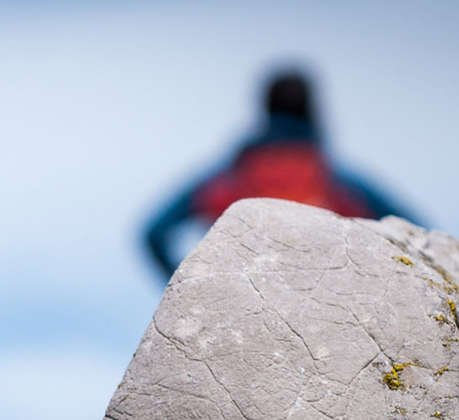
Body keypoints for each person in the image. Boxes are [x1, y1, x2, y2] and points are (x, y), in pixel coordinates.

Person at [142, 68, 420, 279]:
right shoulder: (334, 179)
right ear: (313, 110)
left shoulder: (228, 177)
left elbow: (153, 233)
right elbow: (417, 231)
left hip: (240, 297)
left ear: (264, 108)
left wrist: (187, 286)